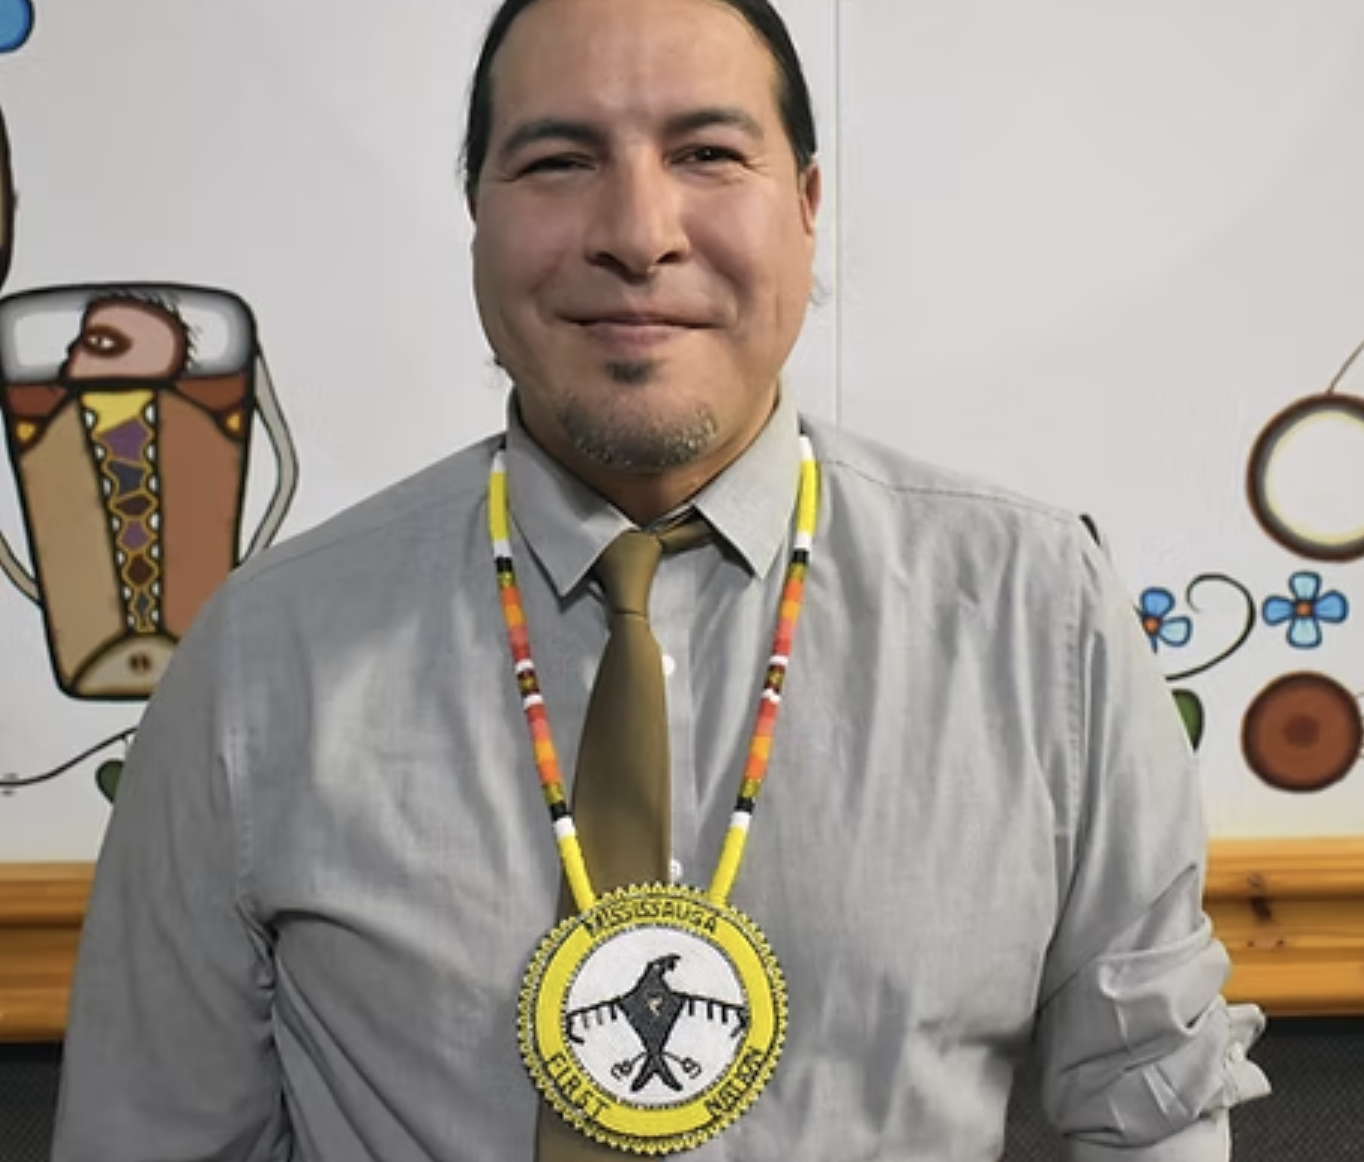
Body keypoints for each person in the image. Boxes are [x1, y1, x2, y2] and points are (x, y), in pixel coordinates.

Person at [51, 0, 1270, 1158]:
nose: (637, 232)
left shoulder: (1037, 618)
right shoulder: (260, 660)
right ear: (476, 217)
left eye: (706, 154)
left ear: (805, 206)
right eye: (556, 161)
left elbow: (1149, 1116)